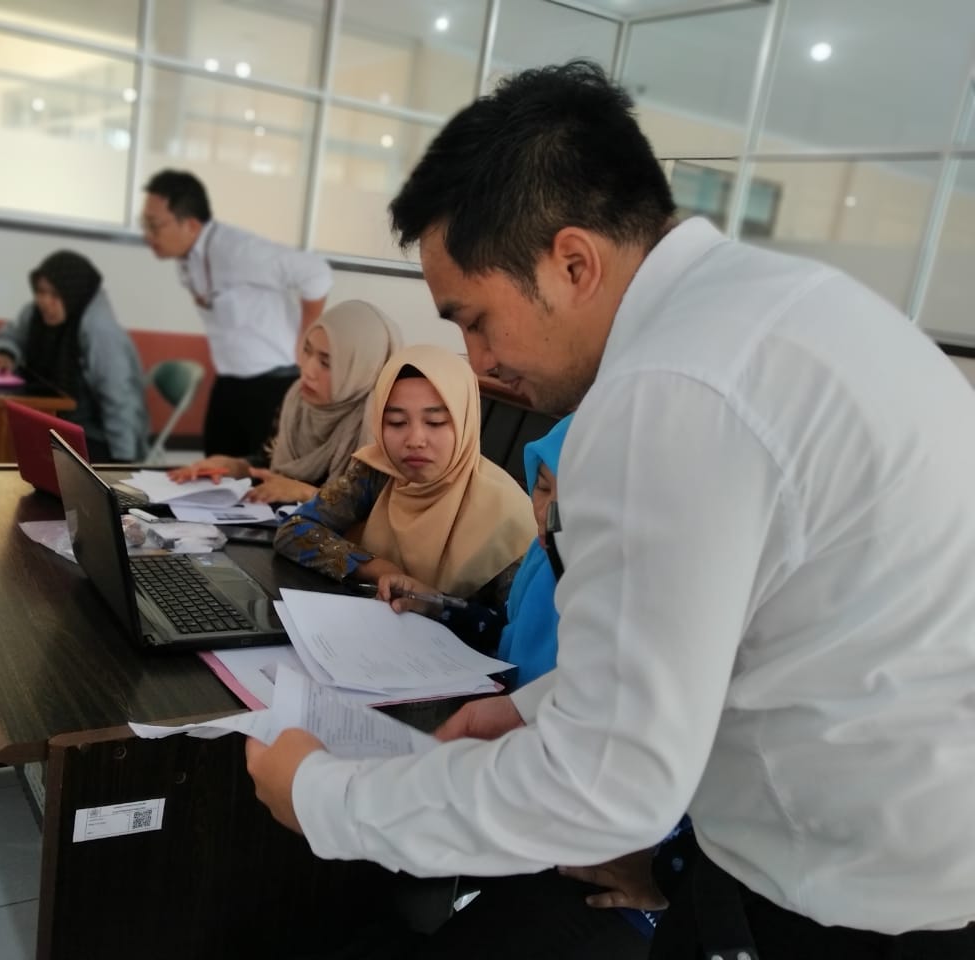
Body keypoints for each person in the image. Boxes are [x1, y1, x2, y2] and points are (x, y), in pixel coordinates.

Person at [245, 60, 975, 959]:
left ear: (573, 263)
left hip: (849, 900)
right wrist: (542, 705)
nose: (476, 360)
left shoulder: (667, 391)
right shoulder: (780, 311)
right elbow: (747, 621)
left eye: (475, 319)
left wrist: (323, 798)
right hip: (904, 855)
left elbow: (603, 789)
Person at [274, 343, 536, 638]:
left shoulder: (509, 516)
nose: (415, 440)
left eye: (435, 422)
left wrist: (435, 604)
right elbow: (294, 530)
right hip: (362, 638)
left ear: (466, 422)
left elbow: (514, 631)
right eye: (396, 422)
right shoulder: (380, 472)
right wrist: (377, 568)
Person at [141, 170, 334, 459]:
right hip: (230, 381)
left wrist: (306, 339)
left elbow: (316, 273)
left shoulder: (237, 251)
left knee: (262, 475)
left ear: (191, 225)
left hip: (274, 385)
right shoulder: (186, 258)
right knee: (214, 469)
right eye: (145, 224)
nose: (148, 236)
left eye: (154, 226)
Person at [170, 300, 402, 504]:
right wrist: (236, 467)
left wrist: (306, 494)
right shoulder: (297, 401)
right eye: (307, 351)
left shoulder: (382, 428)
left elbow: (375, 515)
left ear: (362, 370)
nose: (307, 370)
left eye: (326, 363)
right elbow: (271, 460)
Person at [0, 250, 149, 462]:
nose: (45, 301)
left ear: (73, 295)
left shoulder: (100, 332)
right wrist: (5, 353)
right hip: (51, 418)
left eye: (55, 295)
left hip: (94, 435)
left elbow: (119, 400)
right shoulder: (35, 313)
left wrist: (123, 464)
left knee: (16, 452)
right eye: (40, 291)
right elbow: (13, 335)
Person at [499, 412, 573, 687]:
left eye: (570, 496)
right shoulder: (541, 555)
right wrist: (435, 604)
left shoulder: (620, 594)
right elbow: (504, 624)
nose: (545, 514)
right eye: (542, 487)